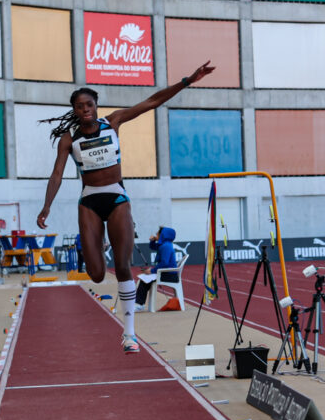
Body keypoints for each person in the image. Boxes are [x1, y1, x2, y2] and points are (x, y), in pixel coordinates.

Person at [37, 61, 215, 353]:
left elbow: (152, 102)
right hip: (89, 201)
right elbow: (57, 174)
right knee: (96, 274)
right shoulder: (69, 139)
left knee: (122, 266)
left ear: (96, 106)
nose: (85, 109)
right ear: (75, 110)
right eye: (80, 106)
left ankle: (129, 334)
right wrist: (47, 207)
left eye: (89, 104)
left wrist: (188, 80)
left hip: (117, 197)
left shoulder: (113, 121)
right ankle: (99, 241)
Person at [135, 227, 178, 311]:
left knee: (144, 280)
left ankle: (140, 304)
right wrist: (152, 240)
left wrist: (152, 271)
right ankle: (140, 303)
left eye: (157, 234)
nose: (156, 235)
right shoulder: (165, 244)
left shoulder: (166, 246)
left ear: (163, 235)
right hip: (167, 273)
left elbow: (164, 263)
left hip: (169, 275)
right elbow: (153, 247)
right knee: (145, 279)